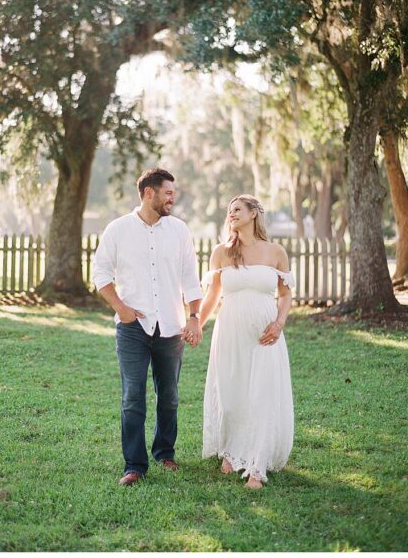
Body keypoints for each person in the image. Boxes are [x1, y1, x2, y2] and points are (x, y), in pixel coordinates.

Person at [93, 168, 204, 487]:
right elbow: (100, 274)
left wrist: (194, 316)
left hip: (172, 327)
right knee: (132, 396)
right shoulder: (118, 230)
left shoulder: (180, 231)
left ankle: (164, 452)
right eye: (168, 192)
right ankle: (134, 465)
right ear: (148, 193)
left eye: (173, 192)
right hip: (132, 329)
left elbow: (189, 278)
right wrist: (122, 309)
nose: (173, 198)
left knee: (169, 396)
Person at [195, 194, 295, 489]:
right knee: (231, 393)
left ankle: (257, 467)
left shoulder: (275, 252)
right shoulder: (221, 253)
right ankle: (232, 449)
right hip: (230, 330)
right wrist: (196, 325)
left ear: (254, 214)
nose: (232, 214)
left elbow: (286, 294)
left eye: (237, 209)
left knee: (261, 394)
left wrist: (279, 323)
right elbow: (213, 295)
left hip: (265, 333)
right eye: (229, 211)